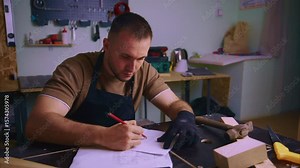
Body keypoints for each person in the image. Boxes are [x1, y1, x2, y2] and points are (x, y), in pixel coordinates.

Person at [25, 12, 200, 151]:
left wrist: (185, 117)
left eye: (140, 58)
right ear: (107, 46)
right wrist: (102, 136)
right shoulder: (75, 69)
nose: (133, 67)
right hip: (72, 156)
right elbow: (37, 123)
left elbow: (173, 104)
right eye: (125, 57)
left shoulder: (144, 70)